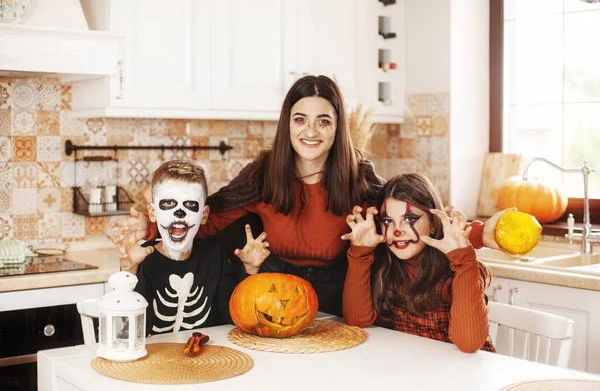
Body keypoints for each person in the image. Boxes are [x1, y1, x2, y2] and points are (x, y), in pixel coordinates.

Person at [113, 75, 504, 317]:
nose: (311, 131)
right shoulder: (264, 174)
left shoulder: (358, 178)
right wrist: (148, 224)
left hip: (341, 298)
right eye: (300, 119)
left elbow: (422, 220)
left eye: (324, 120)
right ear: (288, 124)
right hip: (271, 292)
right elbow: (210, 218)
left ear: (337, 128)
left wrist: (481, 234)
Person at [342, 173, 496, 353]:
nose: (397, 231)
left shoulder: (461, 268)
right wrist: (360, 252)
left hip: (468, 372)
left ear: (432, 223)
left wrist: (464, 261)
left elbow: (469, 344)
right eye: (388, 221)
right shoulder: (386, 265)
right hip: (417, 369)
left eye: (409, 220)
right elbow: (356, 320)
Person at [122, 159, 267, 336]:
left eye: (190, 205)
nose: (179, 213)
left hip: (206, 357)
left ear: (204, 214)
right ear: (152, 212)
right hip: (152, 358)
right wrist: (129, 270)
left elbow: (233, 316)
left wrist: (250, 270)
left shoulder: (214, 255)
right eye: (169, 203)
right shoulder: (142, 257)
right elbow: (129, 333)